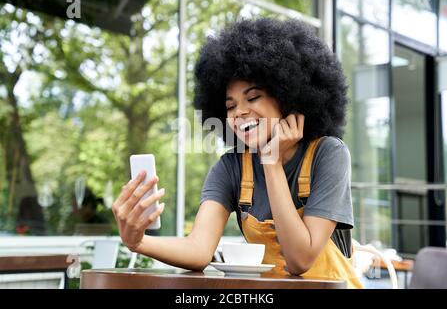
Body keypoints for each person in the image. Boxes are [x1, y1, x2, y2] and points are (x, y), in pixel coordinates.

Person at [112, 18, 363, 288]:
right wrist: (138, 241)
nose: (239, 112)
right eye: (230, 106)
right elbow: (199, 249)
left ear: (288, 97)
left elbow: (300, 260)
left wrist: (271, 162)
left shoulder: (328, 154)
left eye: (253, 98)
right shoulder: (231, 167)